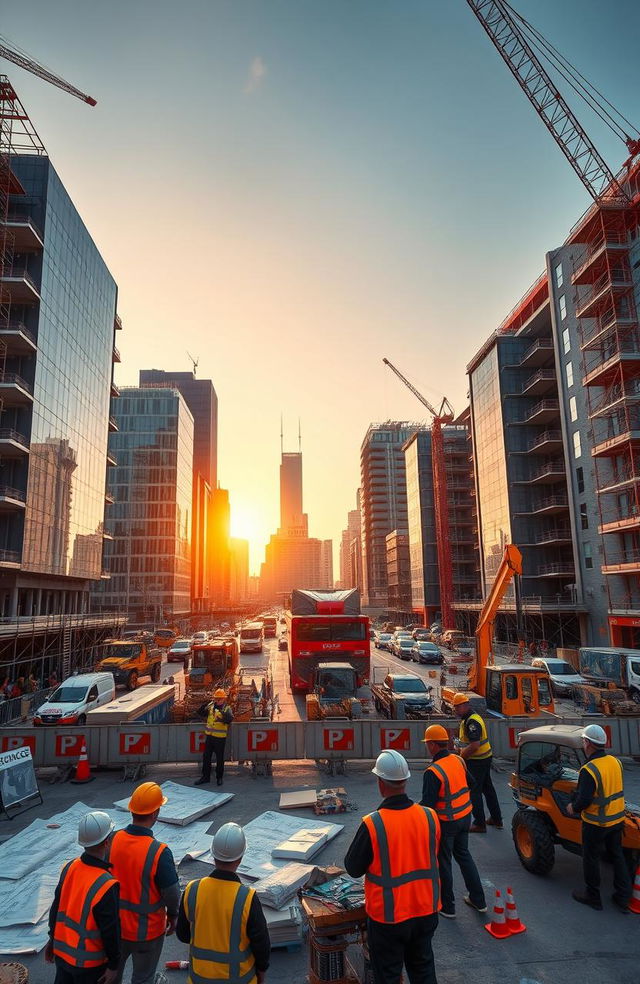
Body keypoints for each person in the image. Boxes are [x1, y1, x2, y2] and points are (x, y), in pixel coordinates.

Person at [344, 750, 440, 984]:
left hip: (389, 917)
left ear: (380, 782)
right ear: (405, 780)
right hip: (425, 910)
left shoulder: (374, 823)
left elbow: (353, 867)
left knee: (387, 975)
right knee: (423, 969)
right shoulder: (429, 817)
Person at [177, 822, 270, 984]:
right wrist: (261, 972)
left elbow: (183, 935)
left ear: (213, 855)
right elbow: (261, 944)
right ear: (240, 858)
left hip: (199, 979)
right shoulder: (246, 897)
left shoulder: (192, 890)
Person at [109, 781, 180, 984]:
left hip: (114, 928)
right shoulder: (159, 852)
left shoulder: (113, 840)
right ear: (155, 813)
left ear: (132, 810)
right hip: (147, 933)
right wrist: (173, 916)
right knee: (143, 978)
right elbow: (173, 894)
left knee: (112, 976)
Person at [46, 811, 120, 984]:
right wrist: (114, 965)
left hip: (63, 954)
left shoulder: (70, 867)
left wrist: (52, 939)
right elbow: (110, 930)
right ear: (107, 842)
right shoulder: (106, 884)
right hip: (89, 965)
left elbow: (55, 908)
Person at [420, 724, 486, 919]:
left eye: (427, 744)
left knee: (444, 862)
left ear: (432, 745)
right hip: (465, 817)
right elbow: (472, 784)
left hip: (446, 822)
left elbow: (429, 806)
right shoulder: (458, 760)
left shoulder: (433, 771)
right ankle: (479, 900)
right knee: (464, 856)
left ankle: (448, 907)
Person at [567, 724, 631, 912]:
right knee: (617, 855)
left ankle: (593, 896)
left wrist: (573, 807)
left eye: (583, 741)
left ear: (587, 743)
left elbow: (584, 800)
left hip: (596, 823)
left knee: (591, 857)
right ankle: (623, 897)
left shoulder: (589, 769)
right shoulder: (615, 762)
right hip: (617, 818)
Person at [452, 692, 502, 832]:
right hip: (484, 758)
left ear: (465, 705)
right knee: (488, 789)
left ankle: (479, 823)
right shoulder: (469, 718)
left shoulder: (471, 721)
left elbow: (474, 745)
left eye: (457, 707)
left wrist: (462, 757)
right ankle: (496, 819)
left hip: (477, 761)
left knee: (475, 791)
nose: (455, 710)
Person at [196, 688, 234, 787]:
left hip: (220, 738)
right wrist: (206, 703)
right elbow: (200, 712)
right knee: (206, 757)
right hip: (210, 737)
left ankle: (219, 778)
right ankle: (205, 777)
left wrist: (221, 716)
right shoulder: (211, 706)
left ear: (223, 699)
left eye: (219, 699)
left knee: (220, 758)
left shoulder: (226, 708)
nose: (217, 700)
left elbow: (229, 719)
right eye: (216, 698)